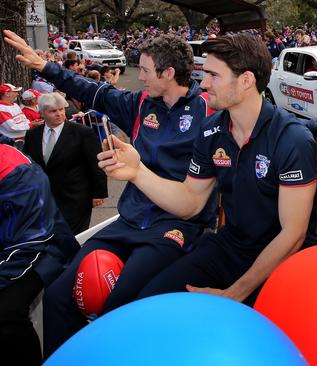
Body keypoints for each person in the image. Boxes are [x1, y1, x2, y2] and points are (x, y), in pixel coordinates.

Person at [3, 29, 218, 356]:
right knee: (59, 295)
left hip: (174, 225)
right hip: (129, 221)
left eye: (145, 70)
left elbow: (259, 123)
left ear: (168, 73)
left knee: (118, 301)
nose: (139, 76)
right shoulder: (142, 103)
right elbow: (93, 91)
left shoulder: (208, 110)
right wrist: (46, 68)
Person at [98, 33, 317, 306]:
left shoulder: (291, 138)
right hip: (231, 247)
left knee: (242, 330)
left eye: (214, 75)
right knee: (147, 306)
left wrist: (234, 294)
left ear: (247, 80)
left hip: (287, 261)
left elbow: (293, 234)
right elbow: (191, 201)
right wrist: (137, 172)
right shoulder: (212, 129)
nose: (202, 83)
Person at [0, 144, 79, 366]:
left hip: (43, 250)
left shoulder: (15, 170)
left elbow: (29, 243)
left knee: (5, 312)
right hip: (13, 245)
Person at [22, 93, 108, 234]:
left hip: (76, 197)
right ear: (42, 113)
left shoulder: (82, 133)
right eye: (53, 111)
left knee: (73, 237)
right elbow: (29, 165)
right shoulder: (33, 135)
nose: (59, 114)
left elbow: (95, 164)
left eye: (61, 109)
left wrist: (98, 193)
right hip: (44, 197)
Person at [0, 83, 31, 147]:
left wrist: (29, 124)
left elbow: (24, 119)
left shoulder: (15, 105)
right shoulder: (1, 109)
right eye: (15, 92)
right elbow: (12, 127)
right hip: (12, 142)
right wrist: (30, 125)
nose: (17, 94)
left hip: (24, 138)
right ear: (7, 94)